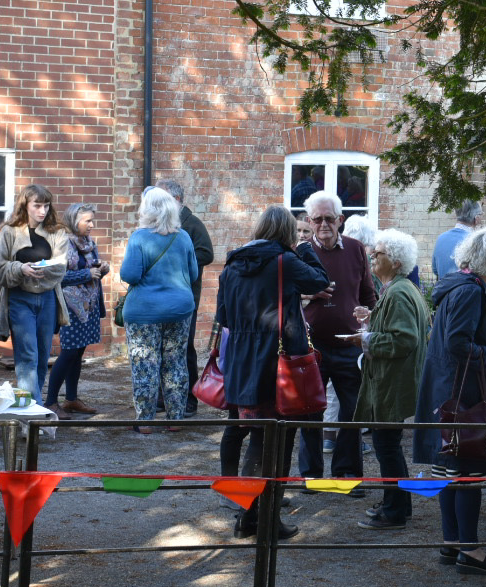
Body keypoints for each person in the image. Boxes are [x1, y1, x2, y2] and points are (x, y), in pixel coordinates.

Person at [412, 228, 486, 574]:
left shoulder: (464, 287)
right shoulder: (471, 292)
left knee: (450, 469)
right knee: (466, 473)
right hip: (465, 397)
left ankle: (453, 543)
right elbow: (458, 346)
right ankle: (469, 550)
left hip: (452, 392)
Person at [215, 205, 329, 539]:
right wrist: (306, 247)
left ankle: (249, 517)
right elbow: (320, 280)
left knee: (253, 433)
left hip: (239, 361)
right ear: (287, 233)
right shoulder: (285, 261)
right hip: (275, 364)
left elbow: (223, 315)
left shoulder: (233, 264)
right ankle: (262, 521)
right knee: (272, 441)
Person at [299, 190, 378, 481]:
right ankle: (311, 475)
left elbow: (369, 295)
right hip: (311, 347)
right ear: (309, 220)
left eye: (329, 219)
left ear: (340, 220)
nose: (323, 225)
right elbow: (286, 297)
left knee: (352, 413)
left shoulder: (356, 250)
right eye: (317, 219)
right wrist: (308, 293)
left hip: (350, 345)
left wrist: (368, 314)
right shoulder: (301, 252)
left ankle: (346, 473)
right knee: (310, 413)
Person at [353, 229, 430, 530]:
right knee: (389, 446)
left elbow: (404, 339)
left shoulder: (398, 292)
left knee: (387, 447)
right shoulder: (398, 289)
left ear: (396, 262)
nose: (372, 255)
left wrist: (365, 339)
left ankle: (395, 511)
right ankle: (396, 504)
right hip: (394, 381)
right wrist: (372, 321)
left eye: (380, 253)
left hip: (393, 383)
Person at [119, 186, 200, 432]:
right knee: (176, 362)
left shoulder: (140, 237)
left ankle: (145, 422)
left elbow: (130, 275)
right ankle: (175, 420)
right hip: (179, 309)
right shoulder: (183, 237)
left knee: (146, 364)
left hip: (145, 312)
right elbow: (194, 273)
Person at [0, 185, 71, 406]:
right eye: (37, 205)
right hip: (19, 299)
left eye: (46, 205)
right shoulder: (9, 232)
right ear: (25, 205)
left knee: (42, 357)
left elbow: (60, 268)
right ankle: (32, 414)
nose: (42, 211)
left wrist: (38, 271)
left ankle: (31, 404)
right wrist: (20, 269)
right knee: (27, 357)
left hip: (47, 299)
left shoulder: (57, 232)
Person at [45, 203, 107, 417]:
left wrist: (101, 269)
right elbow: (57, 276)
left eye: (92, 220)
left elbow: (90, 269)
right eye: (87, 221)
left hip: (88, 304)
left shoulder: (88, 242)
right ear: (74, 221)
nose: (92, 225)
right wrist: (87, 275)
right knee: (69, 351)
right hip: (70, 306)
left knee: (79, 352)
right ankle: (51, 401)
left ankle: (71, 399)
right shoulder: (62, 243)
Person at [157, 180, 216, 408]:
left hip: (185, 296)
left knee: (185, 348)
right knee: (162, 347)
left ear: (177, 200)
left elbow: (207, 254)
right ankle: (164, 396)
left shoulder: (192, 224)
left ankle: (190, 398)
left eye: (163, 199)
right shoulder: (161, 224)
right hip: (162, 296)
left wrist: (178, 262)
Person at [432, 200, 482, 279]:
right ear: (476, 218)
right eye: (480, 214)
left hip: (442, 289)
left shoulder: (441, 238)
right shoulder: (476, 241)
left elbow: (435, 270)